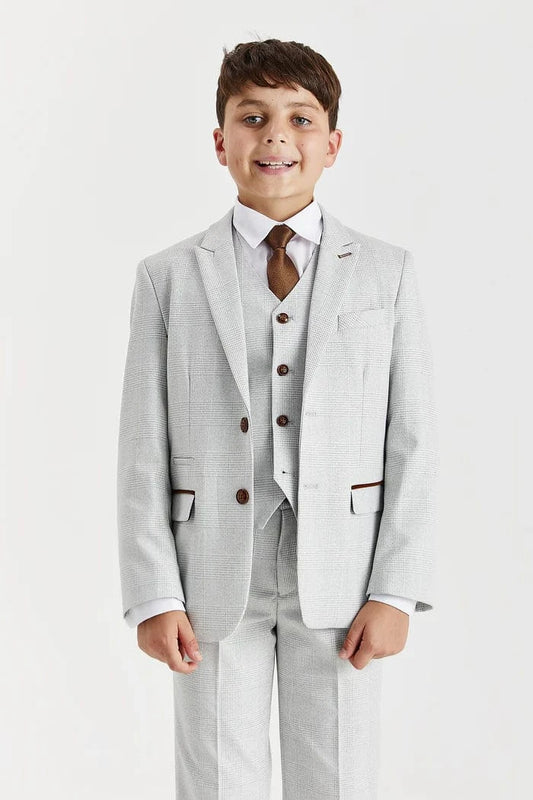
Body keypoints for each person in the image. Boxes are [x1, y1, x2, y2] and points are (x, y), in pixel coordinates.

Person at [116, 37, 438, 800]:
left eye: (300, 118)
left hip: (344, 575)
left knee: (338, 776)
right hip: (209, 574)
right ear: (219, 140)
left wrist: (394, 590)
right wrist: (155, 594)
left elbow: (412, 441)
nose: (276, 137)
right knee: (215, 779)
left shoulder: (386, 272)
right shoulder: (168, 276)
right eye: (253, 117)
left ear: (332, 144)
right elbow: (141, 448)